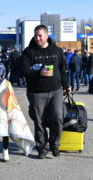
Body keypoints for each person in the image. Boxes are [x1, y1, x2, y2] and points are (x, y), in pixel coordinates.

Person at [19, 25, 70, 159]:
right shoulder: (29, 52)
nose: (38, 38)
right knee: (39, 122)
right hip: (36, 93)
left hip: (56, 91)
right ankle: (41, 147)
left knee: (58, 118)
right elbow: (22, 70)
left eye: (40, 35)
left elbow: (63, 69)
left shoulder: (57, 50)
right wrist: (37, 73)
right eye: (36, 35)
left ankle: (55, 145)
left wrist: (67, 86)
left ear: (47, 36)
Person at [0, 63, 35, 165]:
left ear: (3, 74)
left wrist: (7, 106)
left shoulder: (7, 84)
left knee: (5, 132)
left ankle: (5, 152)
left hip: (3, 112)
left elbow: (12, 99)